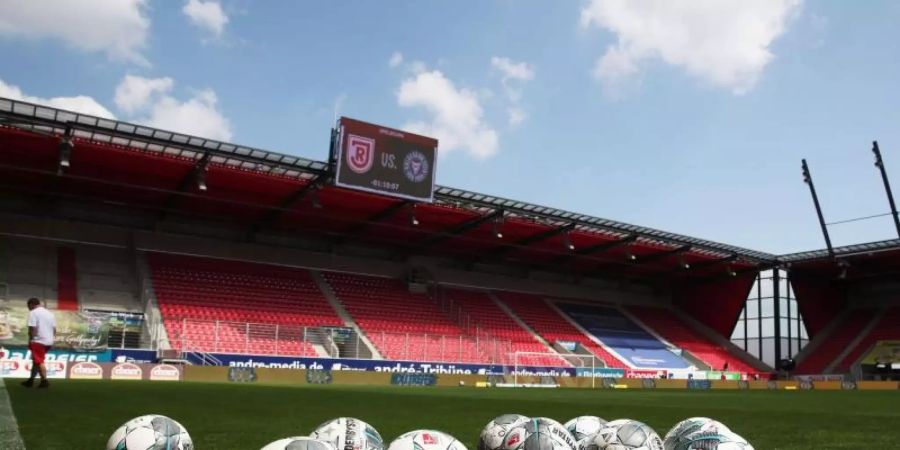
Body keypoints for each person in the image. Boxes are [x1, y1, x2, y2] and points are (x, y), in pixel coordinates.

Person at [22, 298, 56, 388]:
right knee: (36, 361)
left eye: (28, 306)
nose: (28, 308)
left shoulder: (33, 312)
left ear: (32, 304)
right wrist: (52, 339)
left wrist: (31, 339)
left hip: (38, 340)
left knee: (39, 361)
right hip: (48, 340)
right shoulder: (50, 314)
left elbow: (33, 328)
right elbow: (54, 329)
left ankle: (44, 381)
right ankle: (31, 380)